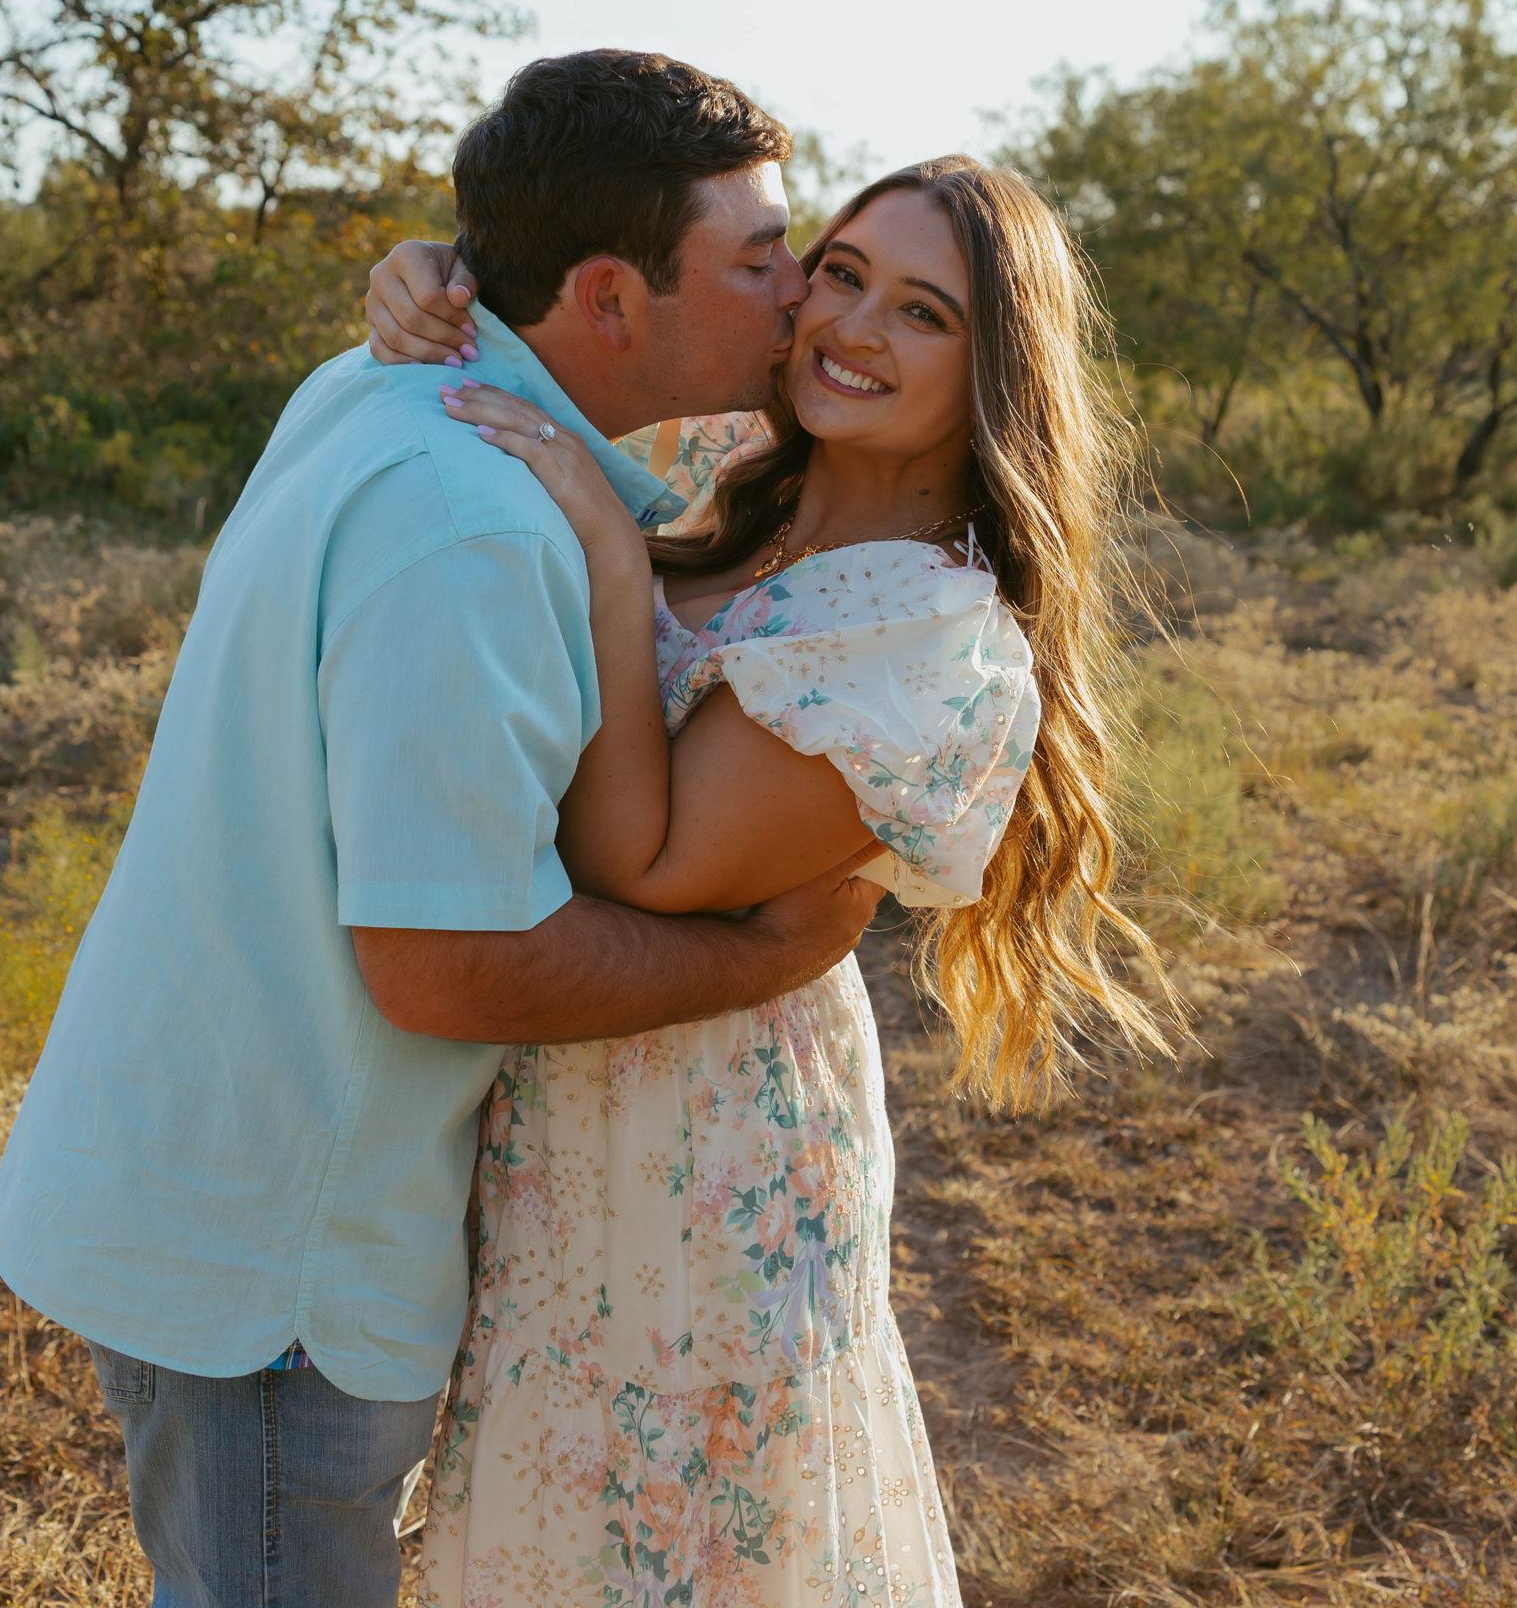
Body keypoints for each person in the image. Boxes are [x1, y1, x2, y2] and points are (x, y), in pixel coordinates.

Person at [0, 49, 892, 1608]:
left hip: (216, 1182)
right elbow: (448, 966)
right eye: (761, 259)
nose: (802, 291)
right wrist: (767, 957)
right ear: (607, 298)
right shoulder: (473, 522)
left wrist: (437, 271)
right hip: (278, 1257)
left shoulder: (380, 386)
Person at [364, 155, 1177, 1603]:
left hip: (708, 1127)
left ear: (996, 373)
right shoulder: (738, 464)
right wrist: (436, 278)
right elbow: (589, 326)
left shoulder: (918, 623)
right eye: (842, 273)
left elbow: (646, 860)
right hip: (567, 1092)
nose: (853, 326)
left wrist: (613, 562)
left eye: (924, 312)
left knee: (677, 1539)